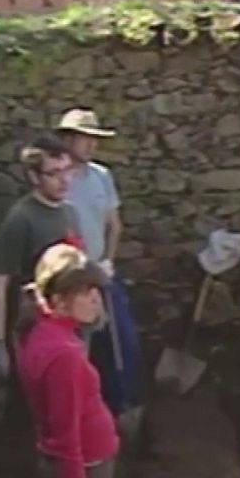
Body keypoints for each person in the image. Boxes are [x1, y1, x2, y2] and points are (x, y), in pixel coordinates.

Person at [14, 242, 120, 478]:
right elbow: (65, 437)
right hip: (88, 471)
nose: (96, 299)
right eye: (86, 293)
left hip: (83, 465)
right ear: (59, 300)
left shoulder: (44, 332)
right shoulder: (64, 357)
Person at [54, 108, 144, 435]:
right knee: (78, 351)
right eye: (86, 139)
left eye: (96, 140)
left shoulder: (101, 176)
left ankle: (122, 406)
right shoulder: (58, 180)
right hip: (70, 279)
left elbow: (113, 225)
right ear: (67, 140)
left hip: (101, 273)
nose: (92, 146)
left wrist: (108, 260)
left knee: (123, 340)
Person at [0, 136, 83, 394]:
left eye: (68, 170)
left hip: (74, 322)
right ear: (34, 177)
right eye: (54, 173)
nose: (64, 180)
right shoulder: (21, 219)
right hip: (39, 328)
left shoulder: (70, 212)